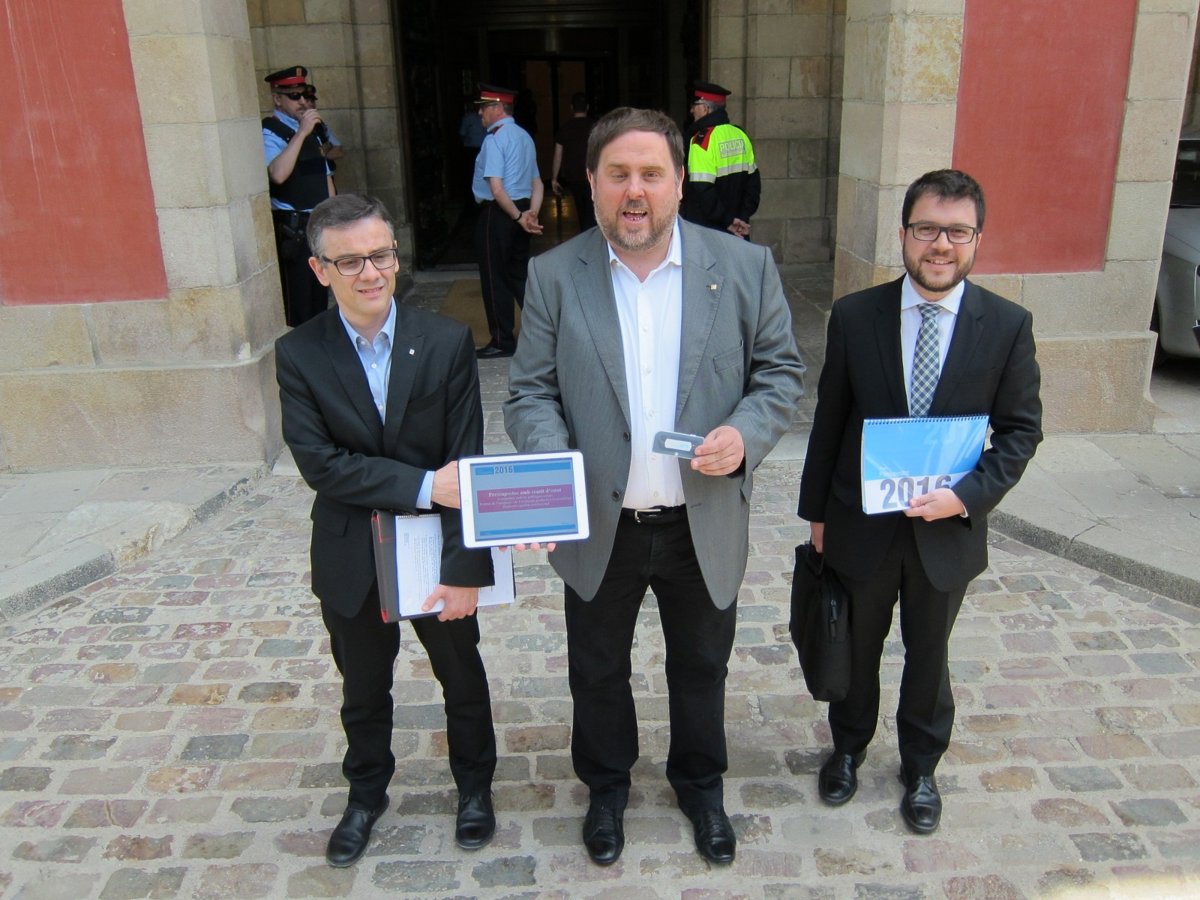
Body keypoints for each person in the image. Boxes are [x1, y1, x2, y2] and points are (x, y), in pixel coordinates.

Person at [504, 107, 804, 867]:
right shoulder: (554, 275)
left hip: (699, 519)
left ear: (678, 182)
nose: (634, 191)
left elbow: (779, 374)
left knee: (701, 666)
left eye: (650, 174)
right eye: (618, 175)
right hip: (598, 523)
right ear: (592, 183)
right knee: (596, 670)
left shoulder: (743, 267)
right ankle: (606, 787)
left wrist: (746, 434)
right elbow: (530, 392)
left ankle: (700, 785)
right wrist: (552, 467)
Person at [797, 169, 1043, 835]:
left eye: (957, 232)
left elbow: (1021, 432)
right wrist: (817, 515)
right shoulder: (856, 317)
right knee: (856, 648)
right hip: (862, 523)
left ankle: (921, 765)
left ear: (977, 239)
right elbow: (830, 421)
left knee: (929, 656)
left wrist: (965, 497)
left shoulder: (1007, 326)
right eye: (927, 228)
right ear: (904, 234)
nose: (941, 245)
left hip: (945, 532)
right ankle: (848, 748)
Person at [275, 194, 499, 867]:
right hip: (351, 552)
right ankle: (365, 795)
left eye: (380, 255)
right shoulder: (298, 353)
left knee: (463, 680)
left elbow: (466, 461)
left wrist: (465, 571)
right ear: (320, 270)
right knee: (364, 689)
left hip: (436, 548)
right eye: (349, 261)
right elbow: (322, 466)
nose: (370, 273)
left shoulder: (447, 341)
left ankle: (475, 788)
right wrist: (424, 484)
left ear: (396, 256)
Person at [472, 84, 543, 359]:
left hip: (500, 213)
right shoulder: (525, 137)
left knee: (494, 277)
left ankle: (502, 339)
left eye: (484, 108)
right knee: (518, 275)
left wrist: (516, 216)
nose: (480, 113)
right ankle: (544, 333)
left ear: (498, 108)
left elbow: (497, 188)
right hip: (522, 209)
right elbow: (537, 182)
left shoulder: (494, 140)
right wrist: (530, 214)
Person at [263, 66, 337, 326]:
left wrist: (335, 218)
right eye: (295, 96)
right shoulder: (271, 130)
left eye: (305, 95)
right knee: (299, 301)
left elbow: (324, 176)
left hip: (318, 224)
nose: (303, 101)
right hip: (293, 228)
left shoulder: (312, 131)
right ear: (277, 98)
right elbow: (278, 174)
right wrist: (302, 132)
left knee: (319, 297)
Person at [681, 82, 760, 240]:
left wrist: (727, 221)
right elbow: (753, 185)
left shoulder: (701, 140)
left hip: (707, 232)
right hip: (738, 230)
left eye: (694, 105)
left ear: (705, 108)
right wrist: (742, 219)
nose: (691, 110)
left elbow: (701, 190)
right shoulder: (740, 134)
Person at [551, 93, 596, 231]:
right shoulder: (596, 127)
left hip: (573, 176)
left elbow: (558, 155)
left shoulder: (565, 129)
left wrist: (554, 179)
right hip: (594, 175)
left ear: (571, 108)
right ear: (587, 107)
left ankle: (585, 233)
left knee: (581, 211)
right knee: (593, 210)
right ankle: (593, 235)